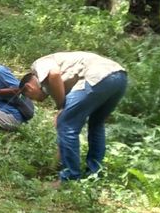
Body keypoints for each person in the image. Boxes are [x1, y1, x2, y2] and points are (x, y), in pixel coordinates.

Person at [20, 51, 127, 183]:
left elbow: (53, 74)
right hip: (119, 77)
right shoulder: (67, 76)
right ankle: (94, 173)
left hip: (97, 76)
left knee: (66, 123)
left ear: (28, 87)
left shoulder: (38, 65)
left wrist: (61, 106)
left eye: (32, 97)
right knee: (96, 123)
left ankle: (69, 178)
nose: (36, 100)